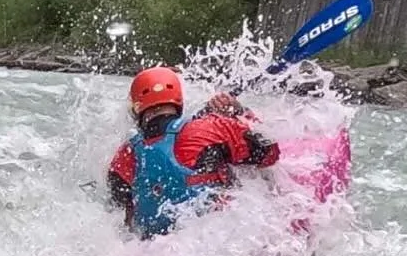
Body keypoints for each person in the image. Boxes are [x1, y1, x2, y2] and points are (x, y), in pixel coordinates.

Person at [106, 67, 281, 238]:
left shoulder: (124, 156)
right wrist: (239, 112)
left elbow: (124, 220)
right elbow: (269, 152)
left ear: (137, 108)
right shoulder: (212, 127)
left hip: (152, 252)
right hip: (218, 241)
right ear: (178, 101)